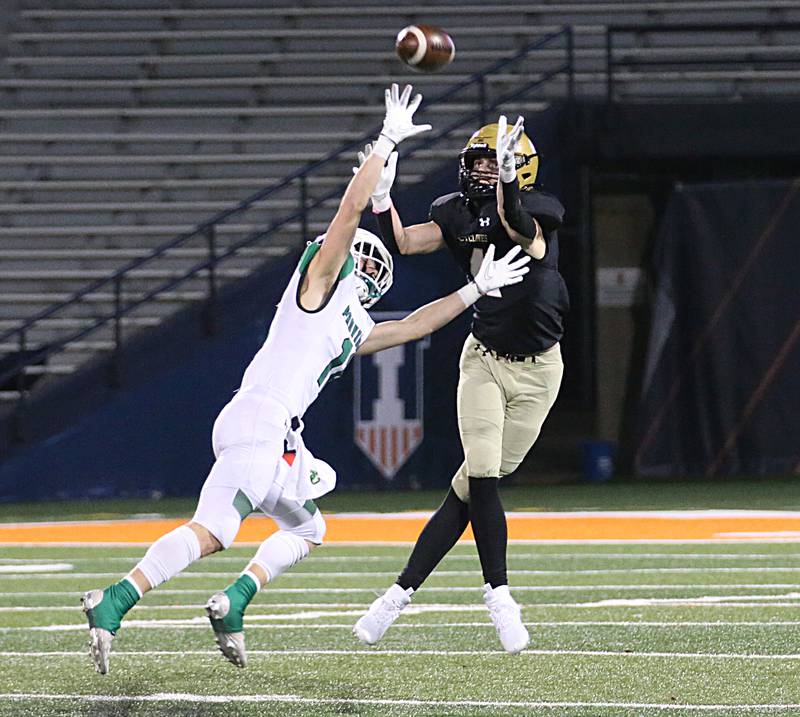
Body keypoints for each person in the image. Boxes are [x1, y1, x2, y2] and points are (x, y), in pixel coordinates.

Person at [80, 84, 531, 674]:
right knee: (215, 529)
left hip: (268, 428)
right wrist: (385, 144)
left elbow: (416, 325)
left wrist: (473, 289)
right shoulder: (318, 290)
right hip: (262, 422)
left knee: (308, 526)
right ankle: (115, 599)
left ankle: (233, 601)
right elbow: (348, 215)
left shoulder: (350, 326)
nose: (359, 259)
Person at [353, 115, 568, 654]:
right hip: (484, 361)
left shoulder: (539, 209)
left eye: (493, 164)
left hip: (541, 371)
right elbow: (403, 243)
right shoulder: (455, 211)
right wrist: (382, 202)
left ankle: (397, 595)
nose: (479, 172)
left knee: (469, 489)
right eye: (477, 162)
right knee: (485, 479)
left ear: (519, 170)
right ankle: (499, 596)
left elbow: (519, 227)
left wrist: (509, 186)